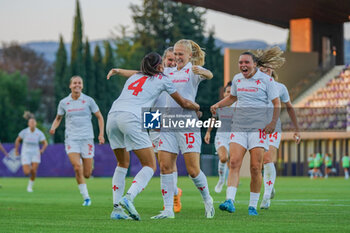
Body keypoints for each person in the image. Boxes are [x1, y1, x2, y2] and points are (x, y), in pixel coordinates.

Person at [106, 52, 200, 220]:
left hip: (113, 115)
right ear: (160, 64)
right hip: (136, 117)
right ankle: (128, 197)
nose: (171, 62)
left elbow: (134, 72)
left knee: (123, 163)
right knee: (152, 164)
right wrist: (197, 108)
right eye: (168, 60)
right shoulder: (163, 79)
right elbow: (184, 103)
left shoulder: (135, 77)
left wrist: (118, 71)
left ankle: (116, 210)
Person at [150, 39, 215, 220]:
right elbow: (144, 75)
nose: (177, 57)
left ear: (189, 55)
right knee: (164, 166)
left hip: (187, 123)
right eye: (175, 54)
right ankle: (168, 210)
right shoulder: (167, 72)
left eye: (180, 54)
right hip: (168, 124)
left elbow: (209, 74)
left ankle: (208, 199)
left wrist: (203, 71)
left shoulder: (193, 71)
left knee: (193, 170)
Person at [211, 51, 280, 216]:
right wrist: (218, 104)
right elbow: (232, 98)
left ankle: (252, 206)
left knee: (256, 167)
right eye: (241, 62)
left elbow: (276, 103)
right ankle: (229, 201)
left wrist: (272, 123)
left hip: (259, 129)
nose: (243, 65)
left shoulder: (267, 81)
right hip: (239, 127)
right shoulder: (236, 79)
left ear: (254, 64)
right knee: (234, 162)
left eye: (247, 62)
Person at [253, 47, 301, 209]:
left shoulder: (280, 87)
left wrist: (297, 129)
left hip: (273, 127)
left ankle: (266, 196)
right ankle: (270, 185)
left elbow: (289, 107)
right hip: (256, 128)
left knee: (268, 159)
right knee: (259, 163)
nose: (265, 72)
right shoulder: (252, 85)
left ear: (272, 71)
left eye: (267, 70)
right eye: (262, 69)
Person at [49, 76, 105, 206]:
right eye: (74, 83)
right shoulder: (64, 102)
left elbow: (99, 117)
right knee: (77, 167)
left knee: (87, 174)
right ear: (70, 86)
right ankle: (86, 197)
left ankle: (89, 164)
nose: (77, 85)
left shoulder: (88, 100)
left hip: (87, 139)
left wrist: (101, 135)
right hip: (72, 139)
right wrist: (53, 127)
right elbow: (58, 118)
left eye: (79, 83)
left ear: (82, 86)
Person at [204, 81, 233, 193]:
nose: (230, 94)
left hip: (234, 138)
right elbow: (213, 119)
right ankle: (221, 180)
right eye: (228, 92)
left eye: (232, 92)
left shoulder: (238, 106)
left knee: (232, 162)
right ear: (224, 94)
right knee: (223, 158)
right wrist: (208, 132)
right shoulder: (219, 106)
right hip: (221, 137)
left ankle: (230, 185)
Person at [15, 117, 48, 192]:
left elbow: (45, 143)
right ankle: (29, 167)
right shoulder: (24, 132)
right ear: (28, 124)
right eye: (31, 122)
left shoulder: (39, 133)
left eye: (33, 122)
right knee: (26, 172)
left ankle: (30, 187)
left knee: (34, 170)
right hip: (25, 153)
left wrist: (42, 150)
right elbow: (17, 140)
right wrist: (16, 151)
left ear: (35, 124)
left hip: (35, 153)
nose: (32, 124)